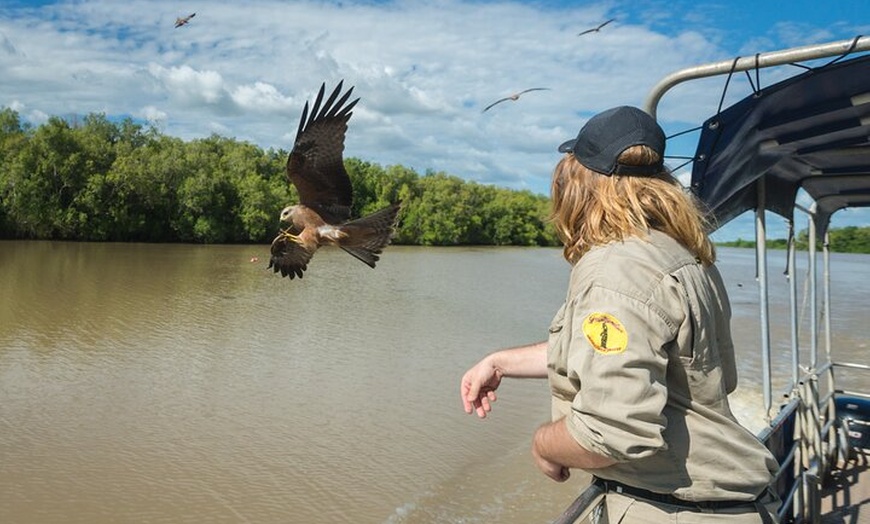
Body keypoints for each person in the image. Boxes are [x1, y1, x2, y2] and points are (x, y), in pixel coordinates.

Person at [460, 106, 780, 523]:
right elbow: (619, 348)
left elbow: (612, 432)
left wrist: (543, 443)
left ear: (580, 184)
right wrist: (500, 361)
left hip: (676, 510)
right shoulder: (682, 255)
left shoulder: (617, 271)